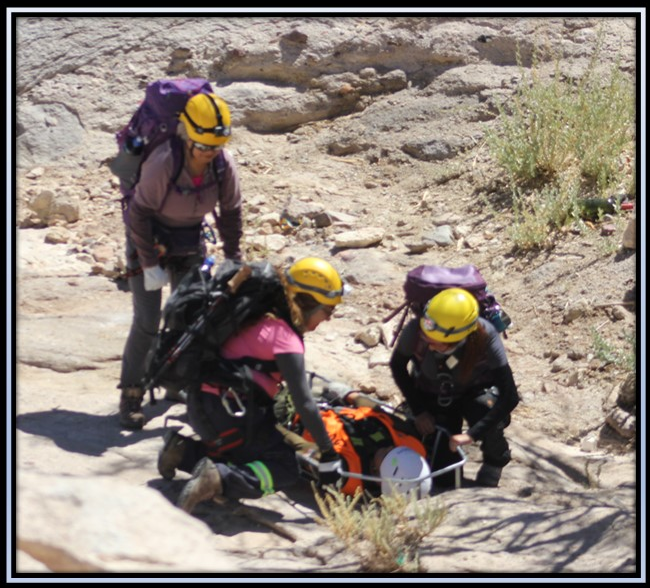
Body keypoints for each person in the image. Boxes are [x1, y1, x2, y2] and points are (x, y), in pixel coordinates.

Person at [158, 257, 348, 514]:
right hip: (228, 414)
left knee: (250, 450)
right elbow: (304, 402)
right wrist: (328, 454)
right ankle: (218, 480)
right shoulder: (285, 339)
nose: (327, 319)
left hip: (202, 405)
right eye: (328, 311)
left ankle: (183, 452)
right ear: (308, 302)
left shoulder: (255, 317)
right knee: (283, 466)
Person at [118, 93, 243, 429]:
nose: (208, 153)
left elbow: (230, 212)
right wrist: (148, 263)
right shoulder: (163, 161)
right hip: (148, 240)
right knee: (147, 320)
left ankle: (176, 384)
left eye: (214, 147)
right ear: (188, 135)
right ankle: (131, 393)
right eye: (202, 146)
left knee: (189, 317)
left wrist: (233, 258)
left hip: (189, 241)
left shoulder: (222, 164)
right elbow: (138, 214)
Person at [389, 287, 520, 488]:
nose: (429, 344)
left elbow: (510, 396)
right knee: (445, 479)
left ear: (460, 337)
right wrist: (420, 411)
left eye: (437, 343)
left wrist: (472, 434)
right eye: (426, 338)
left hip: (474, 393)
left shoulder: (486, 334)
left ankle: (495, 461)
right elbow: (398, 367)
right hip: (434, 396)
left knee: (487, 408)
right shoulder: (416, 330)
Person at [278, 387, 438, 498]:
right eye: (396, 449)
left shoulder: (345, 473)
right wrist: (352, 395)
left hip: (295, 417)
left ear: (378, 473)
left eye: (389, 455)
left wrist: (275, 430)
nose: (391, 448)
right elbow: (380, 413)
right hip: (332, 403)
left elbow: (302, 448)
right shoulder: (410, 447)